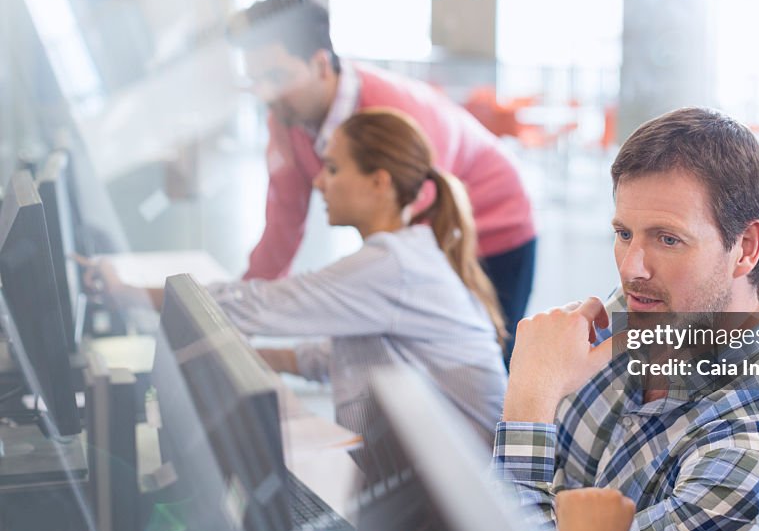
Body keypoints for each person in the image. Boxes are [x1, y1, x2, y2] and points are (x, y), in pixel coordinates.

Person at [494, 108, 759, 531]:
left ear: (747, 248)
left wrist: (528, 405)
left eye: (668, 240)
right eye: (623, 233)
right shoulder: (647, 310)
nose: (631, 268)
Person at [98, 109, 508, 445]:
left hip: (462, 498)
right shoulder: (405, 256)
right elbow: (336, 355)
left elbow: (260, 305)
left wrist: (128, 293)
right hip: (440, 483)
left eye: (332, 168)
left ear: (379, 183)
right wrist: (250, 359)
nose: (318, 182)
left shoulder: (393, 264)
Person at [227, 0, 536, 353]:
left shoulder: (395, 113)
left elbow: (405, 255)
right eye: (256, 80)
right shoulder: (287, 116)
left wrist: (250, 310)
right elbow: (282, 223)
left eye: (276, 76)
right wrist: (233, 319)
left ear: (321, 64)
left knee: (489, 359)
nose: (266, 93)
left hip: (496, 224)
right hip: (428, 232)